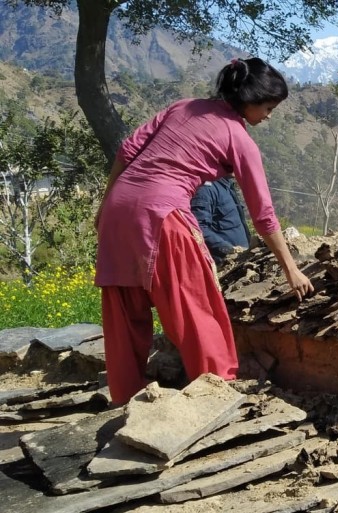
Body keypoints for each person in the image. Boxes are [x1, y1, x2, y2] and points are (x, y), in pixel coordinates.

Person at [94, 57, 314, 406]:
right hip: (163, 214)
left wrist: (105, 207)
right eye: (268, 108)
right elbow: (263, 214)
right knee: (197, 306)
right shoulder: (238, 138)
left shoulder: (184, 107)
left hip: (118, 210)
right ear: (250, 100)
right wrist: (291, 267)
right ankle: (216, 394)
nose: (269, 116)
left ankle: (125, 401)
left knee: (125, 317)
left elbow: (126, 150)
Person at [191, 175, 251, 266]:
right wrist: (229, 249)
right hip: (224, 263)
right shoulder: (206, 190)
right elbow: (198, 228)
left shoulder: (227, 185)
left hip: (243, 259)